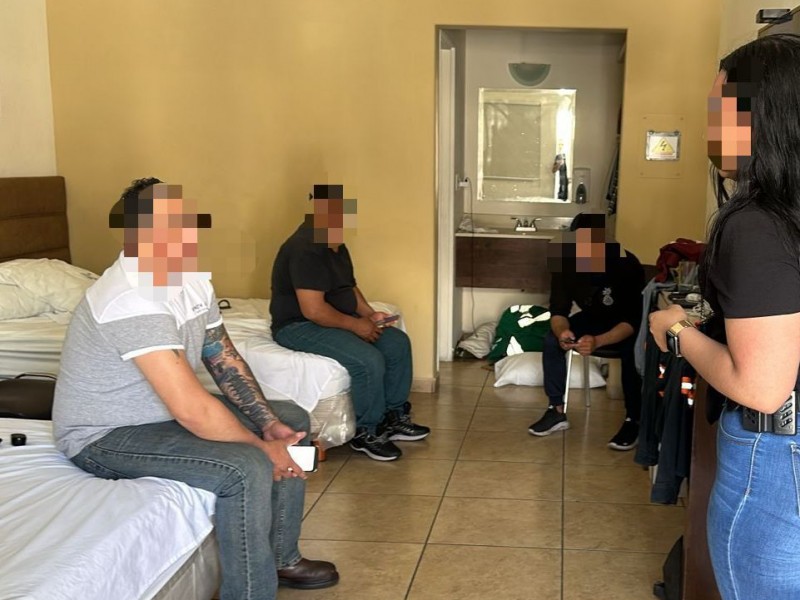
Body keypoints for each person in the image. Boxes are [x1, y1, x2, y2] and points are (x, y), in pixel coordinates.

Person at [52, 178, 338, 600]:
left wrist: (269, 425)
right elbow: (191, 409)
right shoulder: (129, 298)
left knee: (290, 418)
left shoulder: (189, 279)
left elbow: (223, 358)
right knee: (245, 466)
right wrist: (262, 448)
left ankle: (282, 557)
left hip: (157, 413)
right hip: (104, 435)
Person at [649, 35, 800, 599]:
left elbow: (762, 387)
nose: (708, 125)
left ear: (759, 118)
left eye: (719, 109)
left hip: (776, 458)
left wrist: (677, 331)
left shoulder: (758, 224)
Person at [270, 184, 430, 462]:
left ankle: (393, 417)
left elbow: (349, 287)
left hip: (331, 317)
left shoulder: (335, 244)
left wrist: (369, 315)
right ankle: (367, 432)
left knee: (396, 343)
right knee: (367, 359)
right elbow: (313, 310)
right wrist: (356, 326)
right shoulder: (304, 248)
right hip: (299, 326)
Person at [529, 213, 646, 450]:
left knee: (632, 351)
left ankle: (633, 419)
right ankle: (556, 410)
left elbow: (632, 321)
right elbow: (558, 311)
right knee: (551, 340)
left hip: (623, 326)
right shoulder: (565, 263)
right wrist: (563, 332)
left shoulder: (626, 264)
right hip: (592, 318)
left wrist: (598, 341)